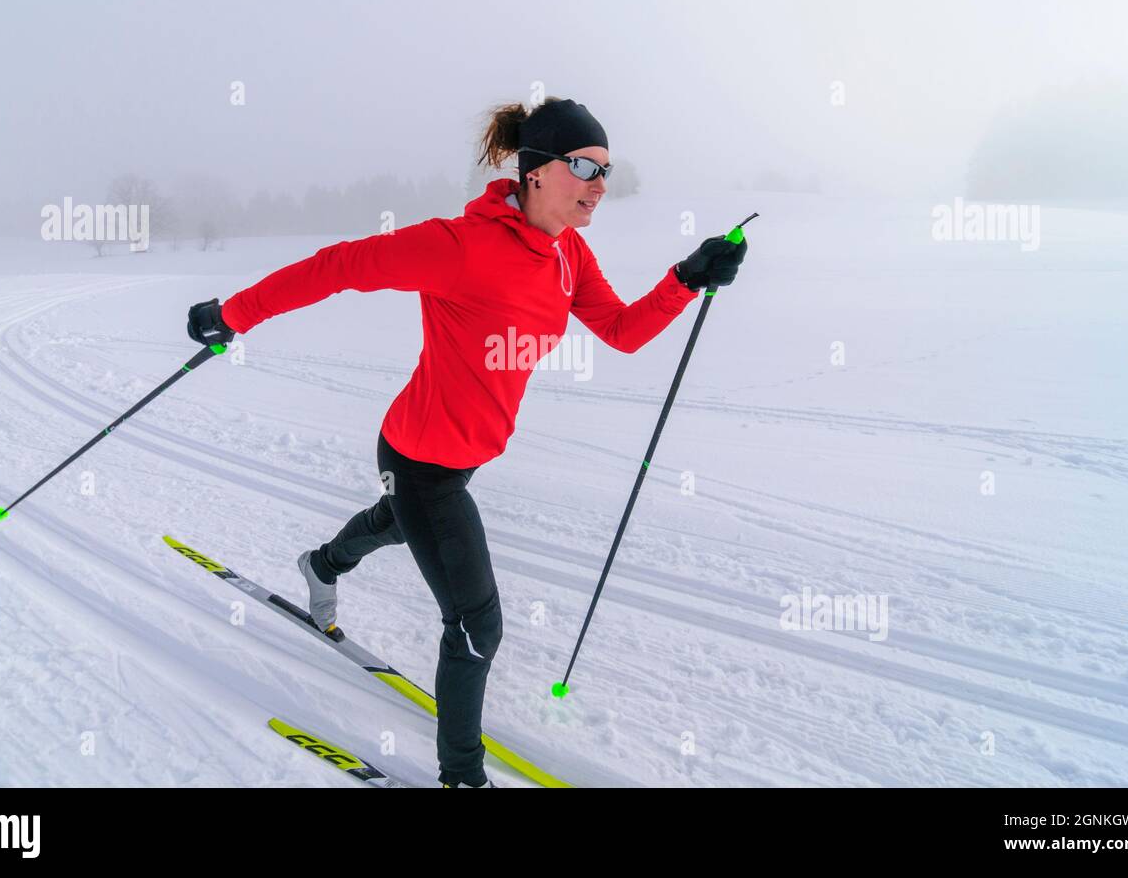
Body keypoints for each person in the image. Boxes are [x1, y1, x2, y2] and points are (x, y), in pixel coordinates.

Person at [186, 97, 747, 787]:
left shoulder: (568, 255)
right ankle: (461, 775)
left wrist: (686, 278)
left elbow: (622, 332)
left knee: (394, 525)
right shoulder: (458, 246)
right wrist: (232, 313)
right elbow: (336, 266)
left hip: (465, 455)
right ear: (536, 170)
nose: (600, 184)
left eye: (607, 168)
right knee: (477, 622)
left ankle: (322, 566)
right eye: (584, 166)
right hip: (419, 456)